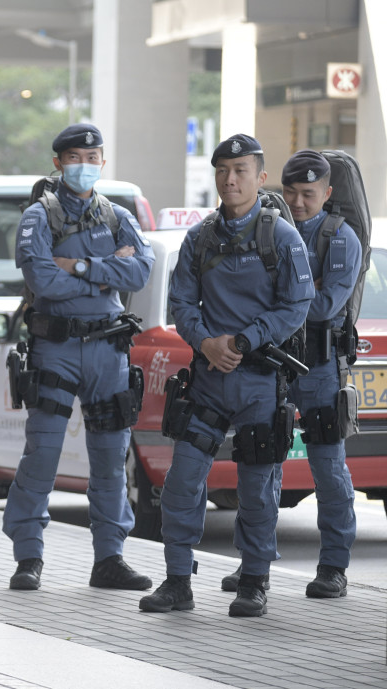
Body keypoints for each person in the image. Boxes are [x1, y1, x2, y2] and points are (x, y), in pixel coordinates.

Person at [139, 134, 313, 617]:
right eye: (223, 170)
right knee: (182, 481)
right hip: (209, 379)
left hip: (259, 381)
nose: (230, 179)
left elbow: (297, 305)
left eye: (240, 170)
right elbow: (180, 304)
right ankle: (177, 582)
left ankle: (254, 580)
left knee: (257, 488)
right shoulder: (200, 237)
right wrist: (207, 343)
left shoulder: (280, 236)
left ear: (260, 177)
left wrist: (244, 340)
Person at [4, 123, 155, 593]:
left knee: (111, 459)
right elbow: (44, 281)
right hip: (57, 349)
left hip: (108, 350)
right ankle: (28, 556)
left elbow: (142, 270)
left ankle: (110, 559)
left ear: (103, 162)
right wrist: (108, 273)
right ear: (57, 162)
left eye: (92, 158)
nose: (84, 166)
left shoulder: (117, 215)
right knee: (42, 455)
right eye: (74, 157)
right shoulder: (38, 217)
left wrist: (82, 266)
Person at [221, 150, 360, 599]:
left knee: (327, 468)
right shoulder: (268, 230)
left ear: (327, 193)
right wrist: (294, 296)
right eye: (291, 192)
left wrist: (281, 301)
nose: (298, 203)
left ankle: (334, 566)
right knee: (261, 464)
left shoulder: (341, 238)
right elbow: (247, 295)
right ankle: (253, 564)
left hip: (318, 368)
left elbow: (324, 306)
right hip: (272, 365)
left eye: (308, 194)